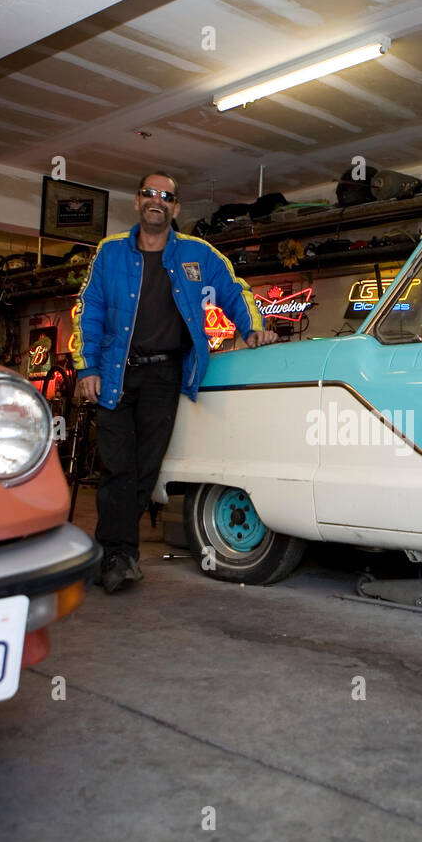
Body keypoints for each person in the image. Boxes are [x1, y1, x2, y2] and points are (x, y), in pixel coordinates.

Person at [72, 172, 277, 593]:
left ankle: (113, 552)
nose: (157, 201)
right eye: (150, 193)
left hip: (165, 375)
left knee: (145, 468)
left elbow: (235, 290)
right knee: (116, 467)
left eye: (166, 197)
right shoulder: (109, 252)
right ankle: (119, 553)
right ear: (137, 201)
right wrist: (86, 367)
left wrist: (252, 327)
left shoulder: (198, 254)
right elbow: (87, 308)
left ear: (176, 208)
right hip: (114, 373)